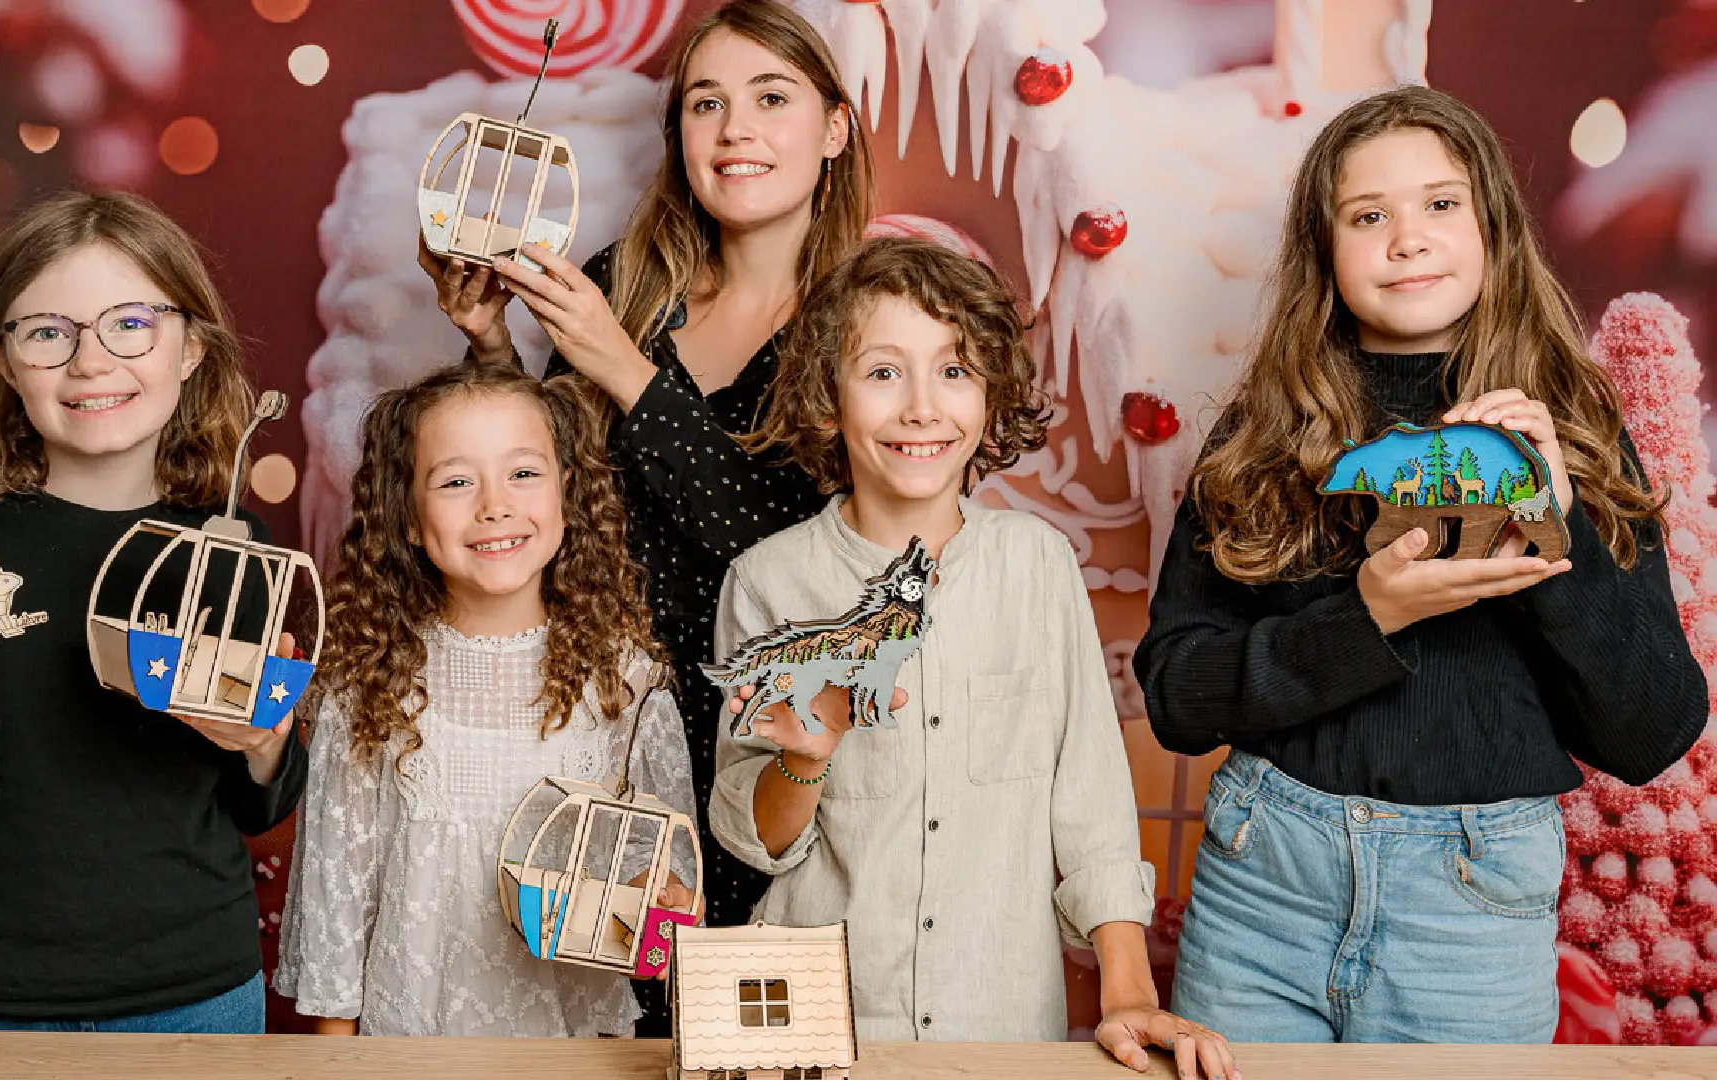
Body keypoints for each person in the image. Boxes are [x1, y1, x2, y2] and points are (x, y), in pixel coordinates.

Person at [1134, 85, 1706, 1043]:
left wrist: (1556, 534)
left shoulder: (1572, 437)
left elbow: (1651, 730)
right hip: (1262, 888)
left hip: (1470, 913)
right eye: (1370, 215)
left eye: (1441, 204)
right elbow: (1176, 697)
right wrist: (1367, 618)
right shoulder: (1265, 438)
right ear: (1325, 249)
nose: (1408, 238)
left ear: (1493, 228)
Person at [710, 237, 1238, 1080]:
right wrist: (805, 762)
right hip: (818, 1023)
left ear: (991, 398)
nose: (922, 408)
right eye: (883, 373)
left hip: (1000, 1020)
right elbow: (753, 837)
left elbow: (1090, 793)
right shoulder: (768, 583)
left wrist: (1128, 990)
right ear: (827, 398)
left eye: (953, 371)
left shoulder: (1038, 564)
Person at [424, 0, 875, 947]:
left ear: (835, 126)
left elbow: (806, 557)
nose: (736, 130)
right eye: (706, 105)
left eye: (771, 98)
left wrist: (626, 370)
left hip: (768, 744)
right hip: (601, 724)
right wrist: (491, 343)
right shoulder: (624, 282)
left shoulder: (868, 322)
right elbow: (556, 489)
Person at [0, 190, 304, 1032]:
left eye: (131, 323)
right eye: (48, 331)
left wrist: (265, 743)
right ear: (4, 362)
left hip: (196, 997)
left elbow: (261, 803)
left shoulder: (229, 547)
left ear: (191, 346)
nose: (91, 362)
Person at [275, 362, 695, 1036]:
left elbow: (667, 895)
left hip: (578, 1054)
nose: (494, 504)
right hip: (413, 1052)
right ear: (407, 519)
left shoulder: (627, 685)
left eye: (523, 473)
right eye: (455, 481)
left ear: (569, 493)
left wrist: (664, 906)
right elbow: (336, 922)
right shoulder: (369, 690)